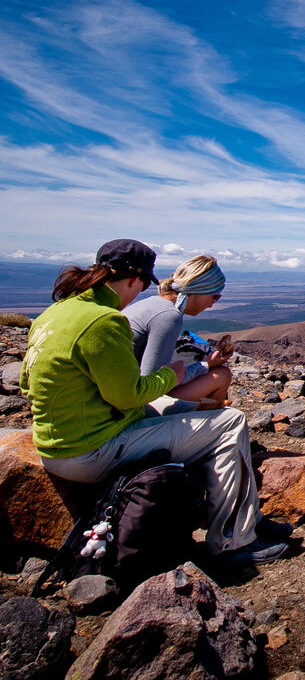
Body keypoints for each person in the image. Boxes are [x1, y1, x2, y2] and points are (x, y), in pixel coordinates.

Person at [20, 239, 287, 565]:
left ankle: (243, 516)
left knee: (196, 418)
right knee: (228, 422)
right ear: (135, 280)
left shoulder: (57, 313)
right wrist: (175, 374)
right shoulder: (104, 321)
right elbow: (135, 392)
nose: (142, 292)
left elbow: (26, 382)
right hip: (91, 449)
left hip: (55, 444)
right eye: (214, 296)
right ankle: (234, 541)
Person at [125, 255, 232, 413]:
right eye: (214, 296)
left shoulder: (153, 304)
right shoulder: (168, 316)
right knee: (222, 375)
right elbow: (152, 381)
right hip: (133, 405)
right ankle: (205, 426)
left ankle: (206, 416)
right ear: (197, 290)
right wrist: (205, 365)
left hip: (123, 393)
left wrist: (208, 363)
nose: (211, 304)